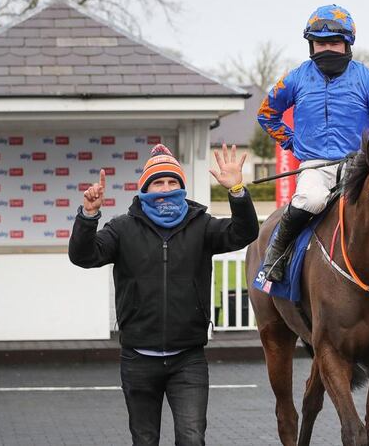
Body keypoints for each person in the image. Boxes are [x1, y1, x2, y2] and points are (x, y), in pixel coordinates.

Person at [68, 144, 259, 446]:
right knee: (144, 440)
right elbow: (83, 256)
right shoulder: (122, 228)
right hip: (138, 359)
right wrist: (89, 216)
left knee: (192, 438)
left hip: (189, 359)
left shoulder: (202, 225)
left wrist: (237, 190)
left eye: (173, 182)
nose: (166, 188)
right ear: (145, 187)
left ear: (181, 187)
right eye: (158, 182)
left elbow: (244, 233)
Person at [257, 3, 369, 282]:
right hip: (315, 166)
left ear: (347, 45)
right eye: (319, 43)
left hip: (359, 165)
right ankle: (275, 252)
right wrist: (292, 143)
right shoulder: (294, 78)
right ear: (310, 45)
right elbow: (267, 115)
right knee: (310, 200)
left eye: (334, 42)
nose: (326, 49)